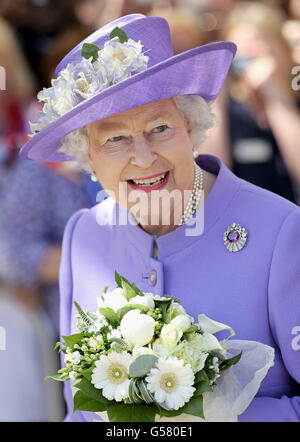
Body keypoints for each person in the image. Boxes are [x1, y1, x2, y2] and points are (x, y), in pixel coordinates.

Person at [19, 14, 300, 422]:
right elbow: (79, 410)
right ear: (89, 157)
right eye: (115, 138)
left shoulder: (280, 232)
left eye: (160, 127)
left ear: (190, 125)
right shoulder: (84, 236)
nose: (144, 157)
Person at [200, 1, 300, 203]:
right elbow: (209, 182)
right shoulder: (227, 111)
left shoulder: (293, 106)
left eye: (265, 52)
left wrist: (276, 99)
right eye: (245, 55)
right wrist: (218, 95)